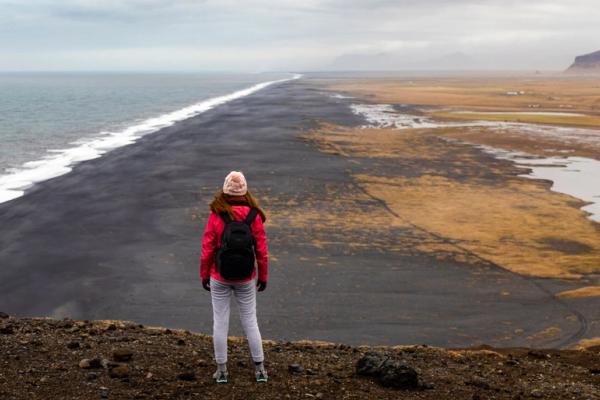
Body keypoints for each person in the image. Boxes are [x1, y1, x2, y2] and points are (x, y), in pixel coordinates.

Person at [200, 171, 269, 384]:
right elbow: (261, 250)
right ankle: (260, 370)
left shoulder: (216, 214)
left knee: (220, 322)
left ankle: (222, 371)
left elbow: (208, 248)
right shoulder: (254, 216)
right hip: (247, 277)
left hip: (219, 276)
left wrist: (204, 274)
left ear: (225, 190)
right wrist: (263, 276)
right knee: (250, 320)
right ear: (245, 191)